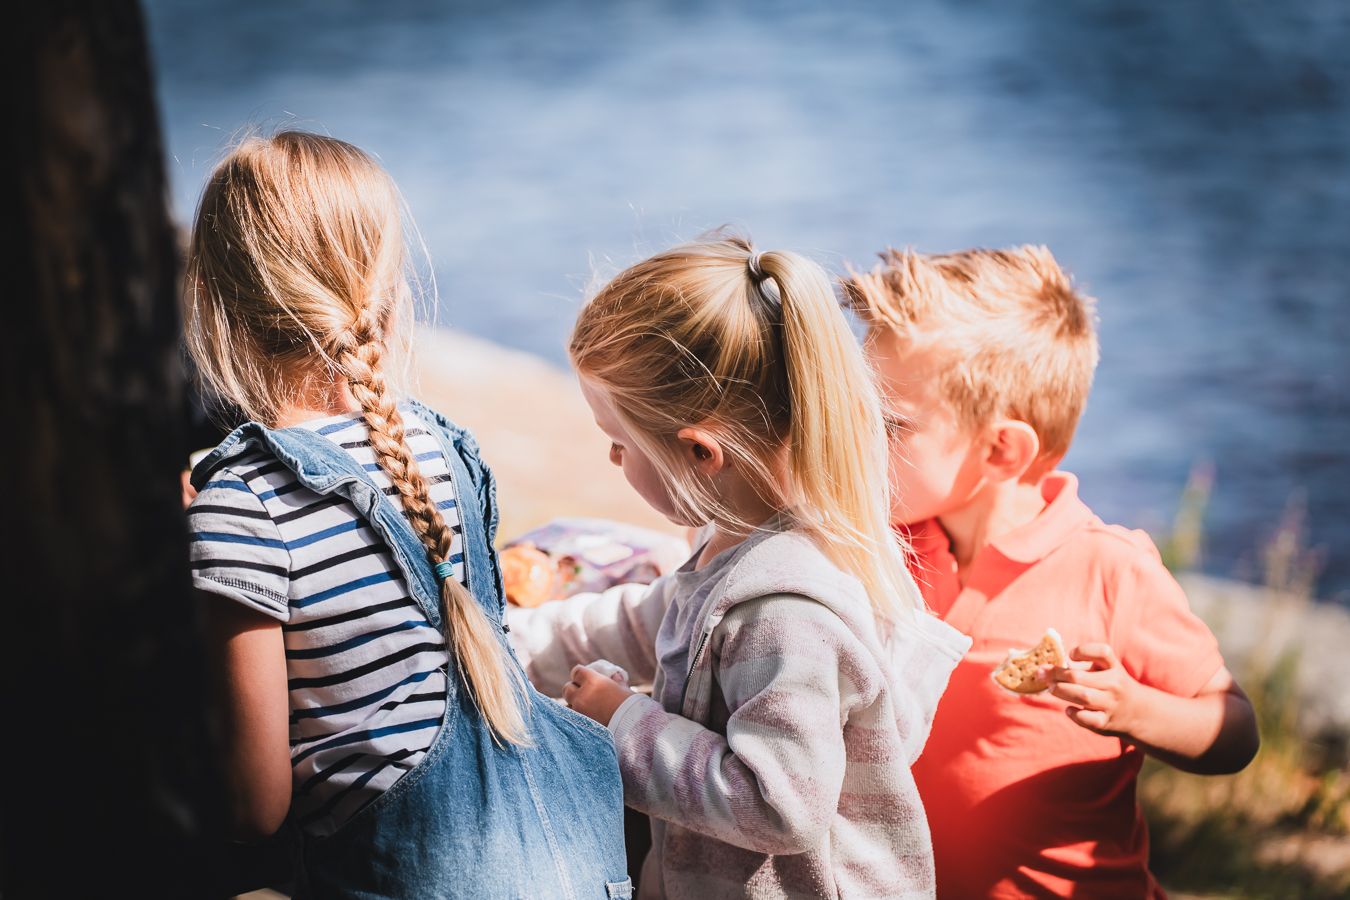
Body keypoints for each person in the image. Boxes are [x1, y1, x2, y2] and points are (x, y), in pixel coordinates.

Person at [183, 131, 630, 899]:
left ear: (220, 307)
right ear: (384, 292)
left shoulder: (241, 503)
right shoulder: (446, 450)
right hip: (581, 866)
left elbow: (254, 807)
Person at [506, 232, 971, 900]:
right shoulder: (735, 540)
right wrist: (506, 644)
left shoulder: (784, 614)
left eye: (619, 442)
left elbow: (778, 805)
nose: (612, 461)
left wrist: (621, 724)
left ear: (700, 452)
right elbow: (646, 621)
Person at [842, 246, 1260, 898]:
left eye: (889, 424)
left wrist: (1135, 708)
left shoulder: (1109, 572)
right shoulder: (887, 546)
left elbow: (1233, 730)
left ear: (1002, 450)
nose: (857, 438)